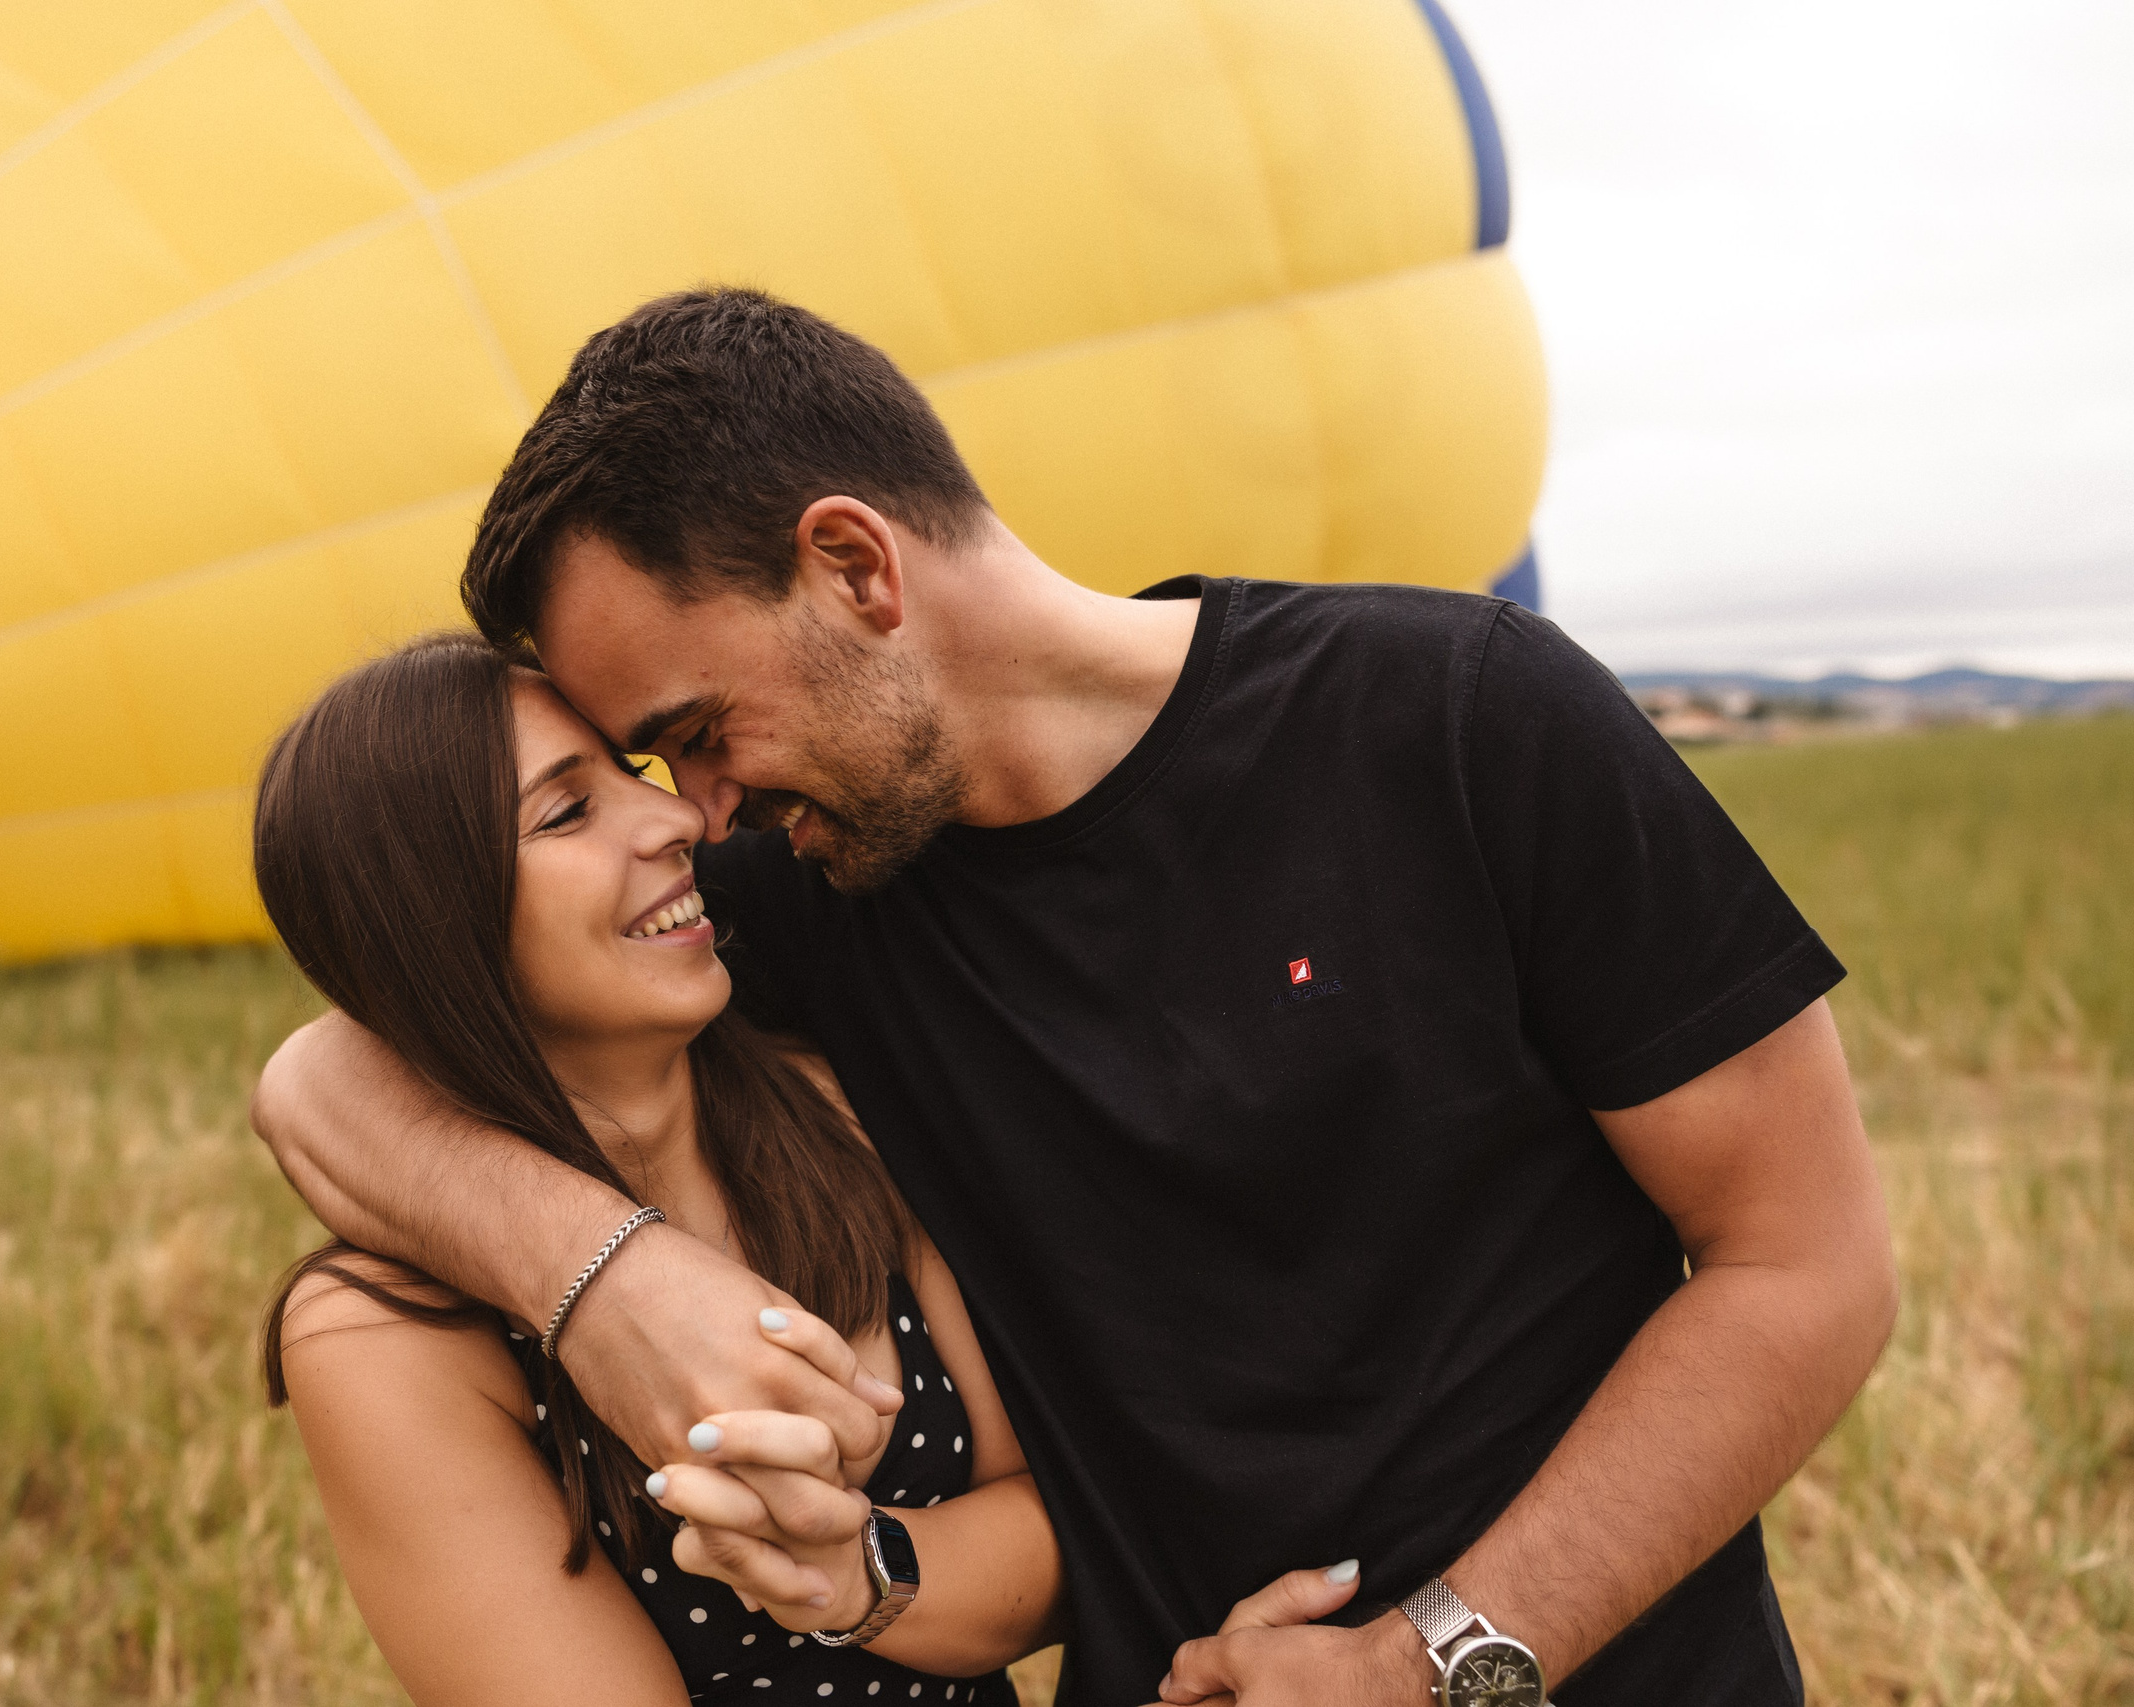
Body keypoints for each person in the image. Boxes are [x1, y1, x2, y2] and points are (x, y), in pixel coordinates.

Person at [255, 290, 1899, 1707]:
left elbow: (1805, 1266)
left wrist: (1426, 1659)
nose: (691, 808)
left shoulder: (1460, 718)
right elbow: (340, 1063)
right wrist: (604, 1284)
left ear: (854, 569)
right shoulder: (818, 878)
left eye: (696, 728)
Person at [250, 632, 1120, 1701]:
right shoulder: (381, 1335)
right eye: (568, 811)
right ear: (434, 928)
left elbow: (1054, 1533)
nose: (675, 821)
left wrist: (858, 1574)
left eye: (636, 776)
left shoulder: (831, 1107)